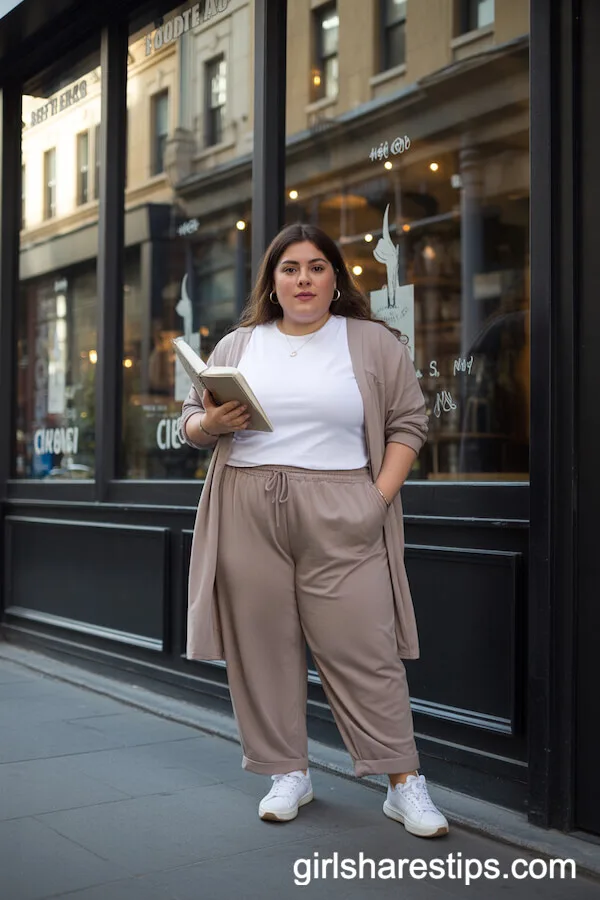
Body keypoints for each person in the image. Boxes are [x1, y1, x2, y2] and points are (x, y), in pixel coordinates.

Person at [179, 223, 449, 839]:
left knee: (365, 648)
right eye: (290, 268)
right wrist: (212, 424)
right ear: (272, 282)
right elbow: (193, 419)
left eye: (316, 267)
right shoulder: (238, 345)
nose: (303, 279)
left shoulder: (372, 342)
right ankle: (287, 772)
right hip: (246, 502)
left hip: (343, 503)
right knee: (262, 644)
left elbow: (409, 424)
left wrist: (375, 500)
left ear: (335, 279)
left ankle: (403, 781)